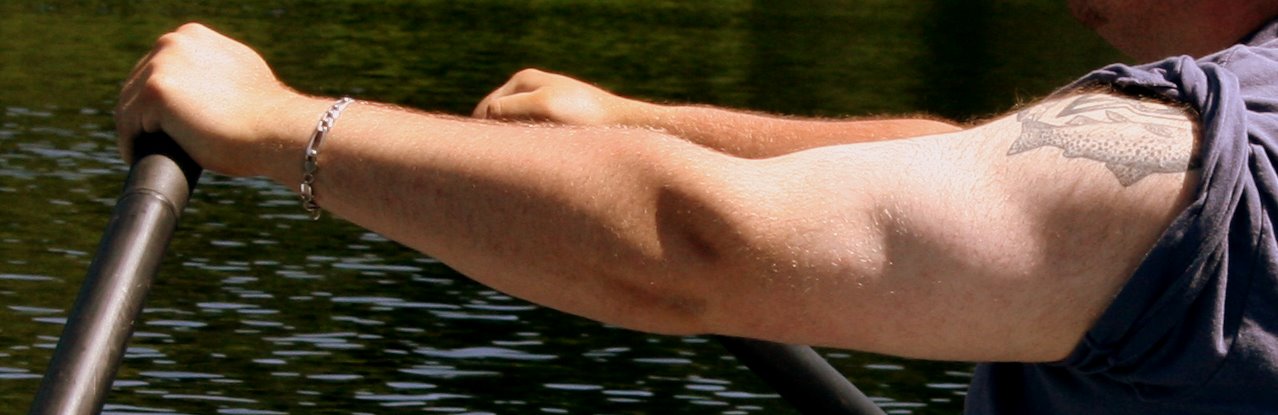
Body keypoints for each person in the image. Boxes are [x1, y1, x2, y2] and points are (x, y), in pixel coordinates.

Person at [113, 0, 1278, 412]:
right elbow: (977, 166)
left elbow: (699, 248)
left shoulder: (1204, 164)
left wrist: (275, 124)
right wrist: (633, 121)